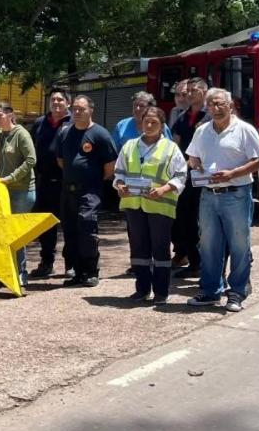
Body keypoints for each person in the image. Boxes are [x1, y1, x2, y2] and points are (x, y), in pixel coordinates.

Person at [184, 88, 259, 312]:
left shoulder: (244, 130)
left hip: (236, 193)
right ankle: (210, 291)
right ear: (207, 107)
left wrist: (233, 173)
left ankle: (237, 292)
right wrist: (194, 162)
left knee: (239, 244)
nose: (216, 108)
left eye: (220, 104)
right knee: (209, 245)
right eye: (212, 105)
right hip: (208, 195)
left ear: (230, 106)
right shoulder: (202, 131)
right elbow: (192, 156)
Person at [114, 105, 186, 303]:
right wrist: (120, 185)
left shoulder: (170, 148)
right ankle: (142, 289)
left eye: (154, 122)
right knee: (138, 249)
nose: (150, 125)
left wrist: (163, 189)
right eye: (146, 121)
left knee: (160, 250)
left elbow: (181, 175)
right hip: (133, 205)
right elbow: (119, 172)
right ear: (141, 123)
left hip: (160, 205)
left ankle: (161, 292)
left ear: (162, 126)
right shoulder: (129, 146)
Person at [55, 95, 118, 287]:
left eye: (81, 109)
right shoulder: (65, 133)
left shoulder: (100, 134)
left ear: (91, 110)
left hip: (89, 190)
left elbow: (110, 167)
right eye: (74, 108)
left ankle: (91, 271)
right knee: (70, 230)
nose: (77, 112)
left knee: (86, 226)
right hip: (68, 191)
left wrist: (91, 180)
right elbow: (61, 161)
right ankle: (76, 271)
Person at [29, 87, 72, 279]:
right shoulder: (39, 123)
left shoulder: (73, 122)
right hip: (44, 182)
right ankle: (46, 263)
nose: (56, 103)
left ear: (68, 103)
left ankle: (71, 265)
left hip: (66, 183)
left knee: (69, 225)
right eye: (53, 100)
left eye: (60, 100)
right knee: (45, 226)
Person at [0, 102, 37, 285]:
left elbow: (31, 159)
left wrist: (11, 178)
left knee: (16, 234)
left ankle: (21, 272)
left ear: (10, 115)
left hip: (22, 191)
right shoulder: (0, 136)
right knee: (4, 233)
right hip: (4, 191)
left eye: (0, 115)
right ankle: (8, 271)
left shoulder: (21, 134)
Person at [170, 78, 208, 276]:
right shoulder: (183, 117)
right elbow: (175, 145)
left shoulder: (210, 116)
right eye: (187, 91)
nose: (189, 94)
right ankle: (194, 263)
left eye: (193, 90)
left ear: (204, 91)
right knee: (186, 220)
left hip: (204, 176)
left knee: (204, 223)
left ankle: (208, 266)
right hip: (185, 176)